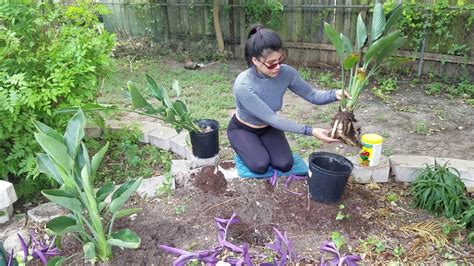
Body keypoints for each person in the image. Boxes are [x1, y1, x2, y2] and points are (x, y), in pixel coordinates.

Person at [227, 25, 351, 174]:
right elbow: (272, 118)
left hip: (268, 127)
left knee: (285, 163)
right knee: (260, 165)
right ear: (255, 61)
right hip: (243, 128)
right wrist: (310, 131)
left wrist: (335, 94)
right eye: (271, 63)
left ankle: (259, 145)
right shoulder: (244, 85)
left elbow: (313, 95)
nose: (278, 66)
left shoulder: (286, 73)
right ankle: (247, 144)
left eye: (280, 60)